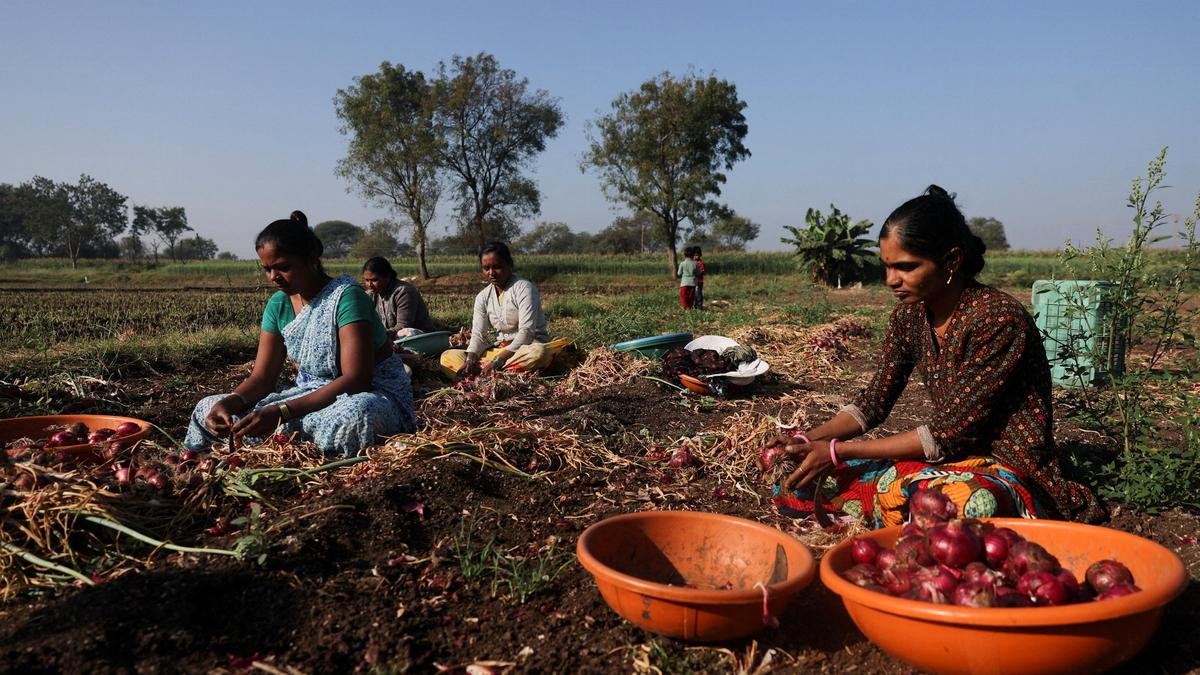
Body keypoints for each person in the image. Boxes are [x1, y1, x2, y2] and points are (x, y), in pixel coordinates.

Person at [761, 186, 1104, 528]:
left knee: (968, 504)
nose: (891, 280)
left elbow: (948, 434)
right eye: (887, 267)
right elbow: (874, 403)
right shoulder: (908, 318)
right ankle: (904, 512)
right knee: (799, 483)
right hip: (942, 465)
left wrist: (838, 452)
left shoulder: (998, 319)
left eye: (906, 267)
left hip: (1005, 469)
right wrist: (808, 442)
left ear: (952, 260)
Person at [185, 211, 415, 456]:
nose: (274, 277)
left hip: (370, 393)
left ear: (311, 258)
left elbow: (357, 379)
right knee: (206, 407)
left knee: (355, 416)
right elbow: (262, 379)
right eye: (267, 269)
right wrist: (229, 403)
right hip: (309, 396)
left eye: (283, 267)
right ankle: (209, 462)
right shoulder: (279, 304)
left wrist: (282, 411)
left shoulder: (347, 297)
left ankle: (307, 453)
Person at [439, 242, 569, 378]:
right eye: (486, 268)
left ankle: (487, 374)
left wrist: (498, 361)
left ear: (509, 264)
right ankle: (488, 373)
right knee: (448, 356)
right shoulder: (482, 297)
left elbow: (527, 332)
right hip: (501, 349)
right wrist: (470, 359)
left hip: (526, 347)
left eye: (497, 267)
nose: (491, 273)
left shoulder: (524, 288)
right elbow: (478, 335)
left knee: (539, 354)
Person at [361, 257, 436, 340]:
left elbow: (403, 326)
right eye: (367, 280)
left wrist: (378, 335)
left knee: (404, 333)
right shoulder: (369, 295)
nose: (369, 285)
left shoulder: (403, 291)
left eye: (374, 280)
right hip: (389, 339)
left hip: (418, 339)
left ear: (388, 276)